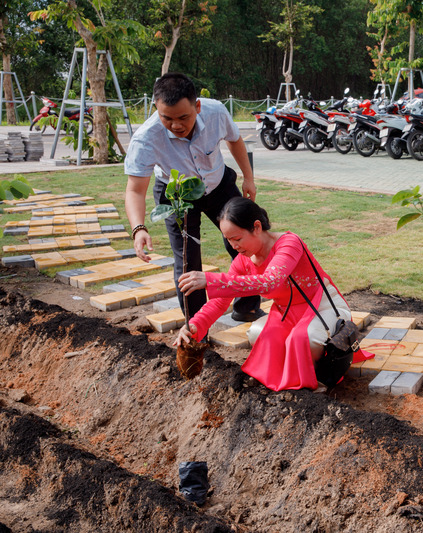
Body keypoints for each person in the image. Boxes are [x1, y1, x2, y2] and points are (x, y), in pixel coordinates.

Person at [173, 197, 372, 391]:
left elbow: (270, 281)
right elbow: (219, 303)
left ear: (257, 227)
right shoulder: (243, 261)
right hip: (286, 311)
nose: (233, 246)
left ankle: (319, 377)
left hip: (322, 304)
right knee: (259, 334)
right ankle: (293, 373)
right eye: (228, 240)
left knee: (304, 338)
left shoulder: (289, 243)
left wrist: (211, 279)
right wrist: (194, 327)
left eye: (237, 239)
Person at [124, 72, 263, 324]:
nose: (176, 125)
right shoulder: (145, 139)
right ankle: (197, 326)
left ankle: (247, 307)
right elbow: (135, 190)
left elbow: (235, 140)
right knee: (188, 261)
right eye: (167, 118)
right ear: (157, 109)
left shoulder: (216, 113)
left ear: (197, 106)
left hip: (218, 184)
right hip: (176, 194)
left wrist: (248, 177)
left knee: (246, 243)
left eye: (183, 117)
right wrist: (138, 228)